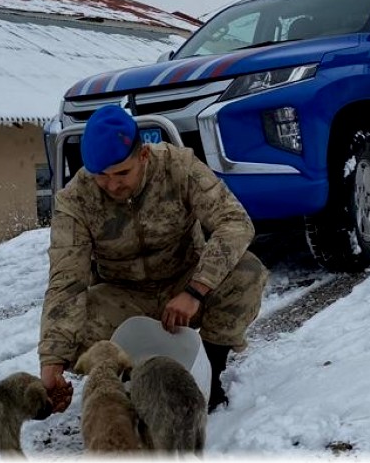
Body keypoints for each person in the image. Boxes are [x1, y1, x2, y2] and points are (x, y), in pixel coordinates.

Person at [39, 104, 268, 413]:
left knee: (246, 273)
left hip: (183, 280)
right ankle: (131, 377)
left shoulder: (178, 167)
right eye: (101, 176)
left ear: (143, 155)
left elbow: (235, 223)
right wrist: (52, 363)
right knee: (75, 329)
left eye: (122, 172)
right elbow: (67, 283)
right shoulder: (75, 199)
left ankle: (210, 372)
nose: (113, 184)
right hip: (123, 295)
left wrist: (196, 290)